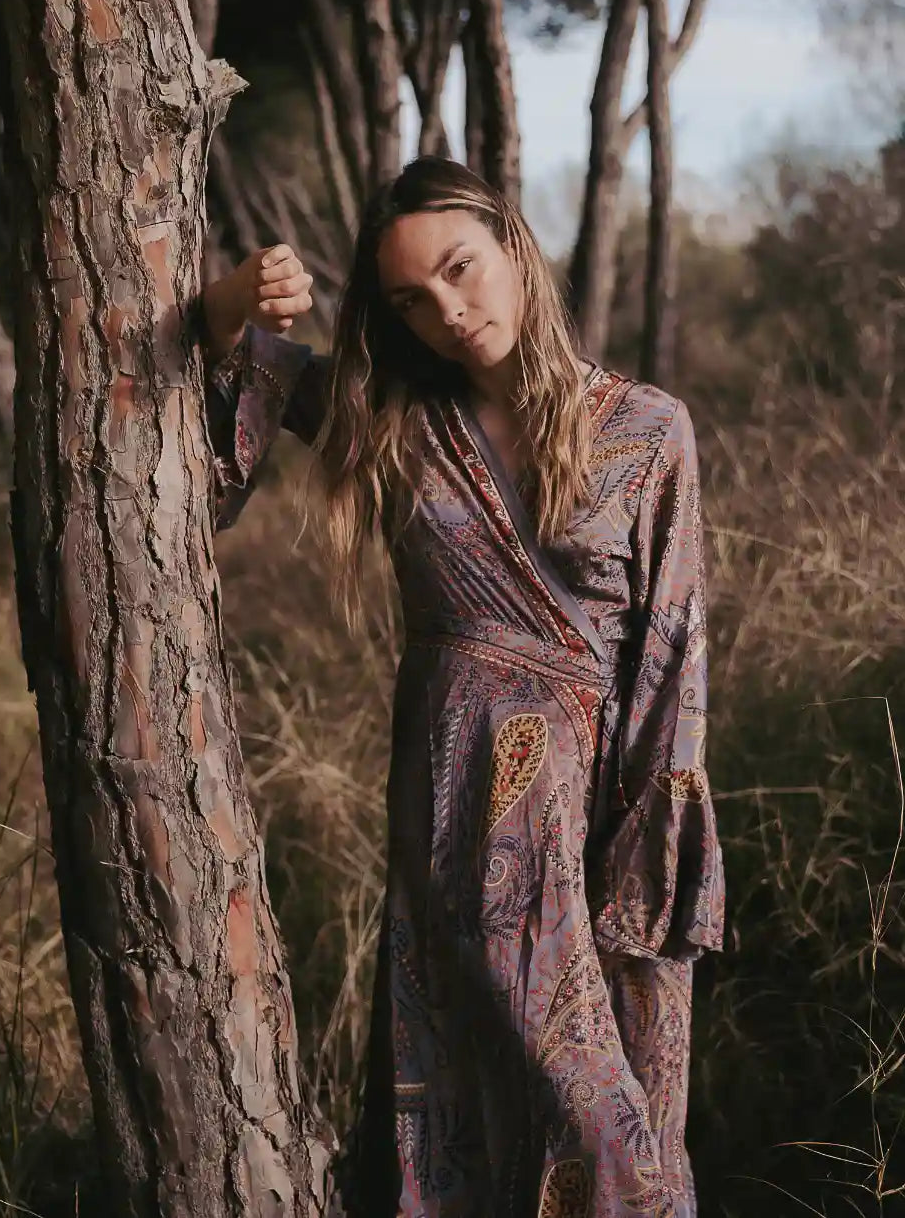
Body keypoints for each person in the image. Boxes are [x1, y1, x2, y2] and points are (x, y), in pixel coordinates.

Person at [199, 157, 725, 1218]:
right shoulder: (392, 425)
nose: (447, 312)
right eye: (410, 300)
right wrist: (228, 299)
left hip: (612, 819)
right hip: (461, 814)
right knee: (481, 1109)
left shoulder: (647, 430)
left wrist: (646, 859)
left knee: (620, 1127)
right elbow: (234, 376)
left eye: (459, 269)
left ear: (513, 249)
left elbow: (675, 657)